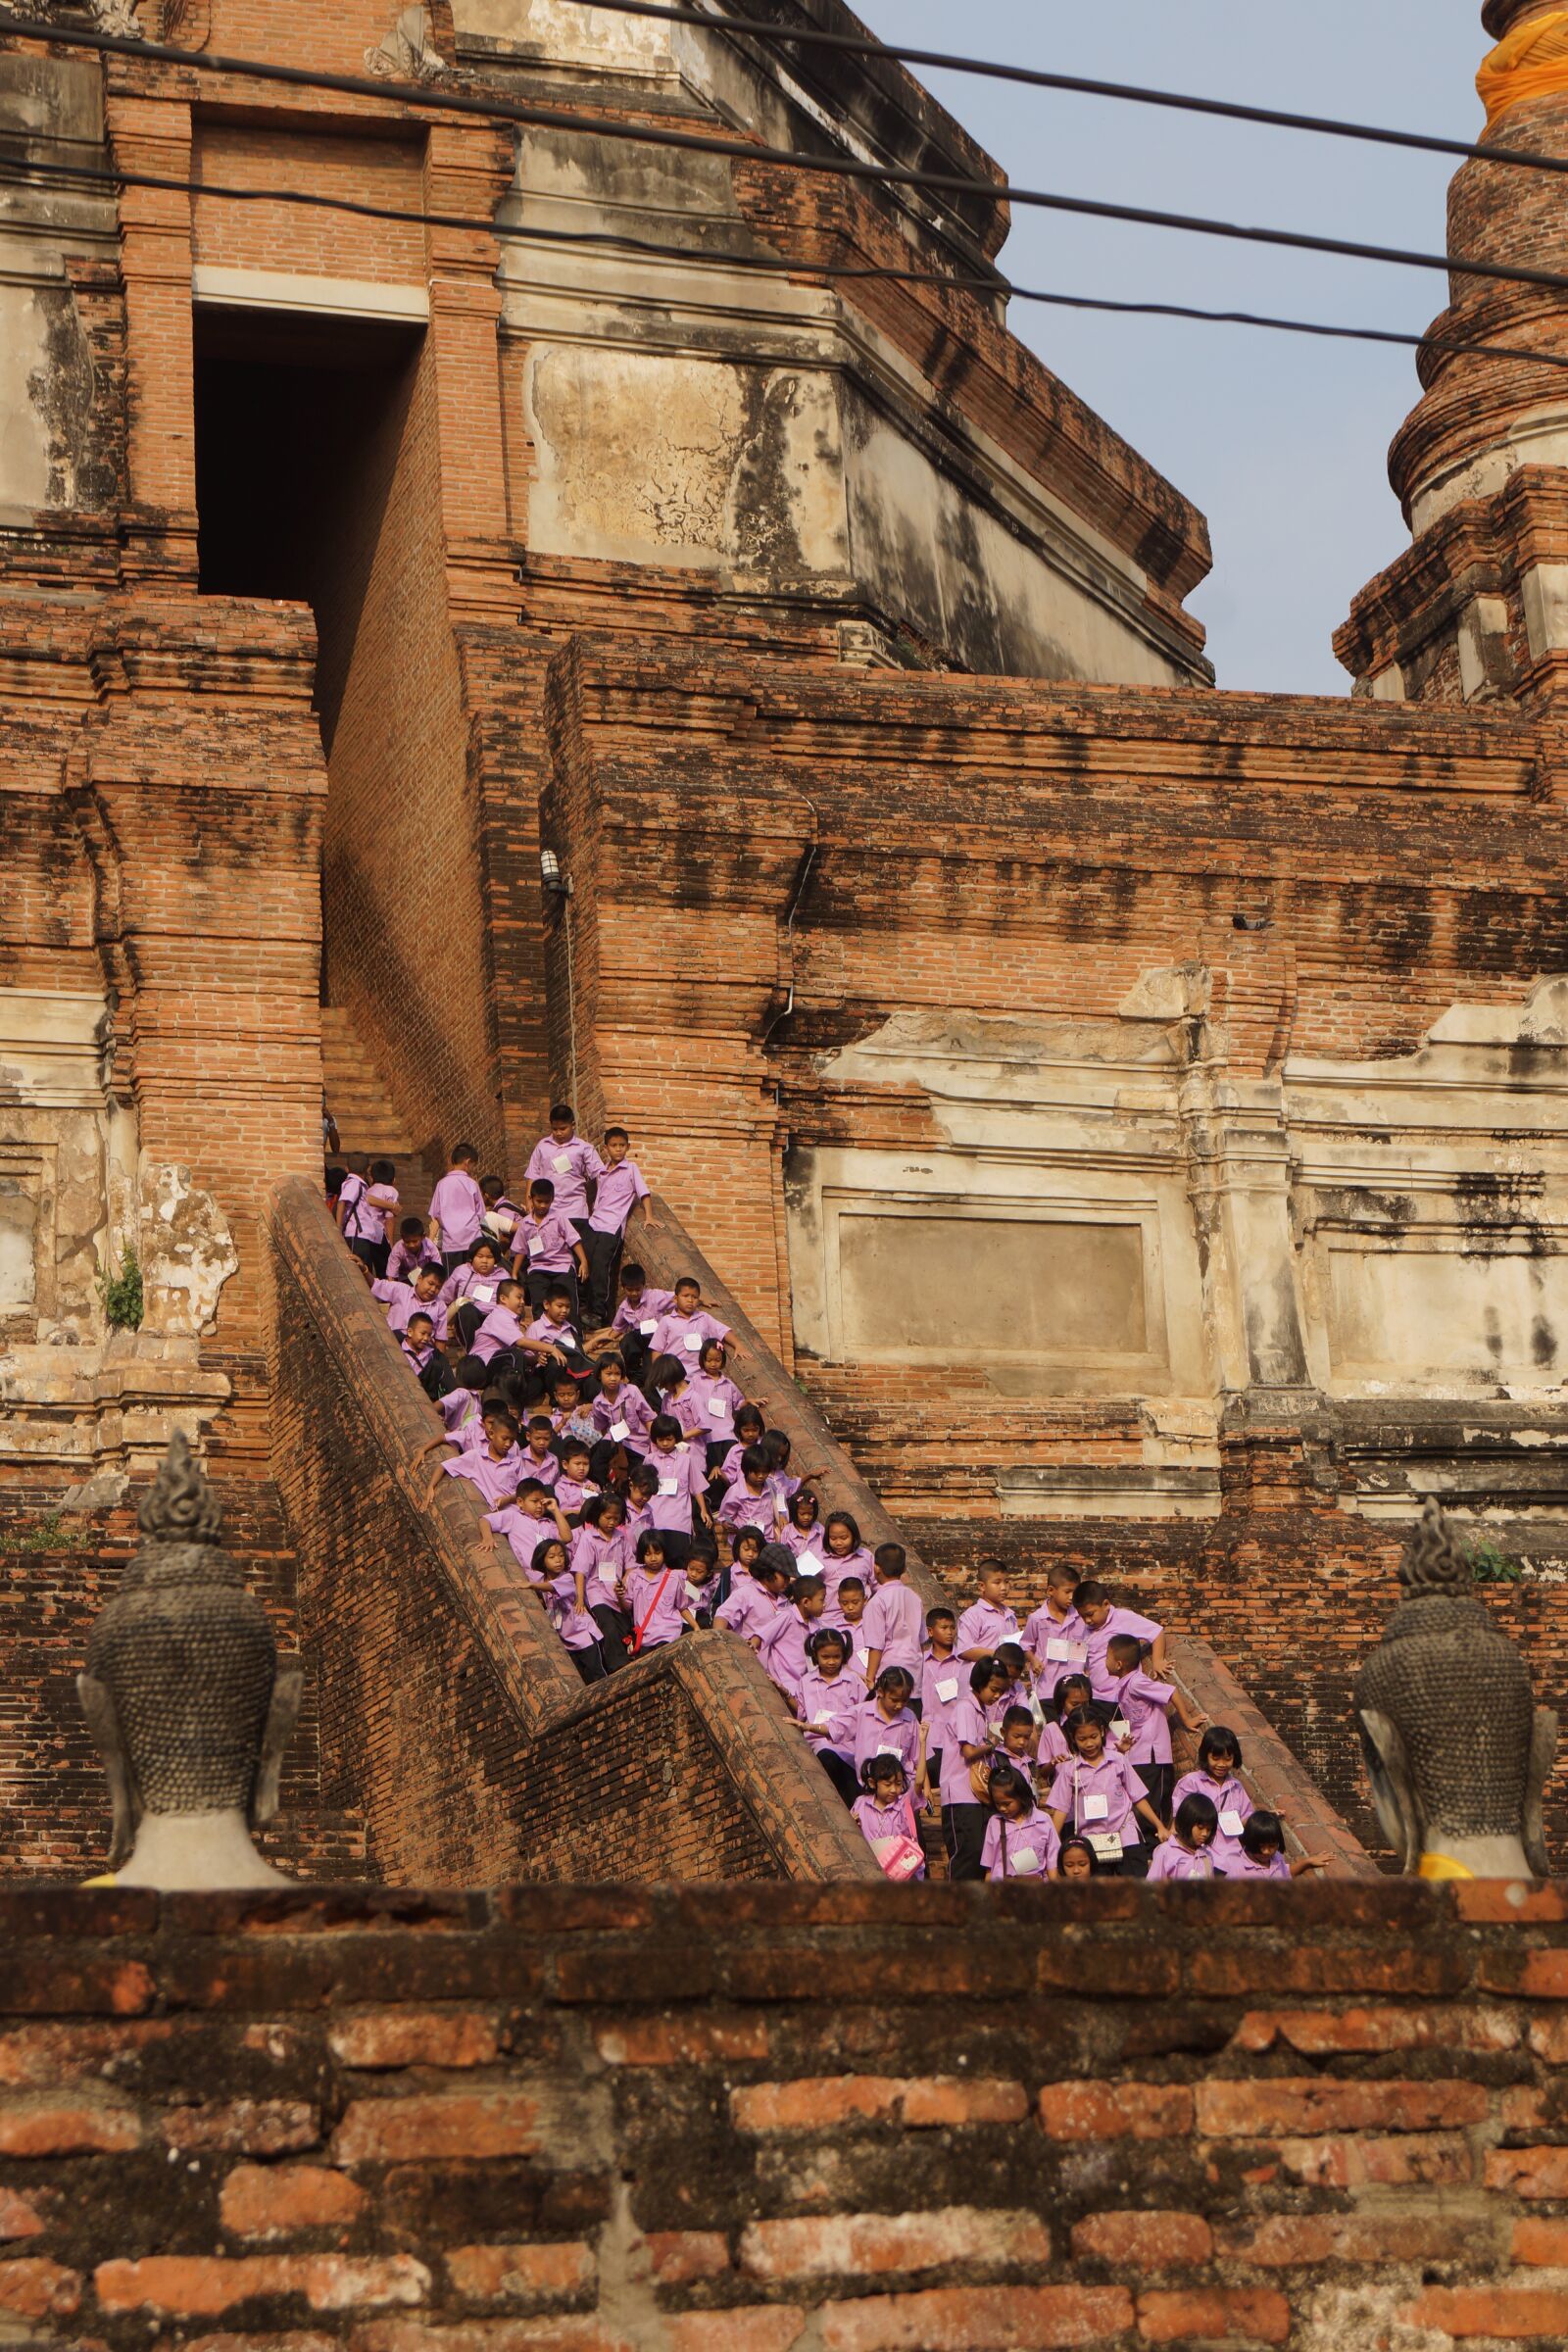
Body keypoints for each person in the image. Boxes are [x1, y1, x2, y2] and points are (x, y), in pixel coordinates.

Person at [1046, 1705, 1168, 1878]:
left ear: (1102, 1731)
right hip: (1091, 1841)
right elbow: (1061, 1809)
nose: (1089, 1743)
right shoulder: (1069, 1770)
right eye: (1082, 1739)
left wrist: (1159, 1825)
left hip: (1126, 1834)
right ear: (1073, 1739)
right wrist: (1052, 1844)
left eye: (1093, 1736)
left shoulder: (1118, 1761)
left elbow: (1137, 1796)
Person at [1102, 1631, 1203, 1826]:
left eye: (1107, 1657)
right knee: (1142, 1800)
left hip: (1153, 1753)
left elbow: (1170, 1691)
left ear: (1119, 1664)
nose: (1104, 1662)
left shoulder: (1136, 1682)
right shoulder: (1124, 1685)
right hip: (1139, 1752)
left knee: (1154, 1801)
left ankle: (1154, 1844)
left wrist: (1187, 1719)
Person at [941, 1657, 1008, 1883]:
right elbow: (969, 1752)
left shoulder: (980, 1709)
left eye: (1001, 1691)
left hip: (977, 1794)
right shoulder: (965, 1707)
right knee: (967, 1852)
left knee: (981, 1852)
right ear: (979, 1683)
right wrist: (993, 1745)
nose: (997, 1696)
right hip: (959, 1794)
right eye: (994, 1689)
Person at [582, 1125, 651, 1327]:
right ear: (606, 1148)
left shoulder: (631, 1169)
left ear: (628, 1147)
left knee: (602, 1268)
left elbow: (644, 1193)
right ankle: (584, 1306)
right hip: (594, 1223)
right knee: (586, 1262)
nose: (618, 1149)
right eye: (614, 1146)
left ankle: (599, 1313)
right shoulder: (601, 1171)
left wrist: (649, 1216)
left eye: (622, 1145)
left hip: (612, 1227)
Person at [526, 1104, 606, 1258]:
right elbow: (533, 1174)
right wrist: (529, 1201)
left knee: (576, 1254)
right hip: (547, 1210)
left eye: (563, 1128)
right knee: (549, 1254)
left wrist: (600, 1203)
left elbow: (600, 1175)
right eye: (555, 1129)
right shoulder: (542, 1146)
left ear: (573, 1125)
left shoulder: (584, 1148)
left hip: (575, 1209)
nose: (558, 1133)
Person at [795, 1627, 861, 1803]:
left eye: (836, 1657)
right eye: (826, 1657)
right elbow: (800, 1713)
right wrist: (785, 1692)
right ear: (816, 1655)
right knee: (827, 1758)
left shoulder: (852, 1680)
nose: (831, 1662)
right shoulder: (806, 1681)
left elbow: (863, 1711)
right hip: (819, 1743)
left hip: (848, 1745)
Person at [512, 1179, 590, 1323]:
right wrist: (514, 1272)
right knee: (539, 1301)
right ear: (531, 1199)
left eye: (546, 1202)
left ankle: (573, 1336)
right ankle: (542, 1336)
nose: (542, 1205)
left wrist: (583, 1261)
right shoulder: (525, 1224)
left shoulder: (559, 1218)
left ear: (552, 1200)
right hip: (538, 1267)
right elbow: (520, 1249)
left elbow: (573, 1240)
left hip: (562, 1266)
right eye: (539, 1201)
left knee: (568, 1300)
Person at [418, 1401, 522, 1510]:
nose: (508, 1444)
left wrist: (509, 1499)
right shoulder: (476, 1456)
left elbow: (526, 1489)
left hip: (519, 1511)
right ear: (492, 1434)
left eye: (511, 1440)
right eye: (504, 1439)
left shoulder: (516, 1461)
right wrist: (430, 1487)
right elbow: (443, 1466)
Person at [643, 1413, 712, 1569]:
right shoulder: (649, 1460)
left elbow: (696, 1487)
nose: (665, 1443)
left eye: (669, 1439)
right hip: (654, 1521)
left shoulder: (686, 1459)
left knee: (679, 1564)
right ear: (655, 1439)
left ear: (677, 1438)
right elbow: (643, 1489)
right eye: (661, 1440)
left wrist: (703, 1510)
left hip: (680, 1522)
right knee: (656, 1566)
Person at [573, 1492, 632, 1665]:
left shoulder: (621, 1538)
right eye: (608, 1518)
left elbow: (630, 1567)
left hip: (617, 1594)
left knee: (622, 1628)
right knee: (608, 1627)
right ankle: (618, 1666)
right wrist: (579, 1599)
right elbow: (580, 1571)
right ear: (598, 1515)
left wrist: (624, 1582)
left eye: (616, 1518)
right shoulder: (589, 1537)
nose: (612, 1522)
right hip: (596, 1592)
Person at [1075, 1579, 1166, 1689]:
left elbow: (1156, 1632)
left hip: (1118, 1694)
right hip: (1096, 1694)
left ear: (1106, 1604)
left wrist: (1158, 1661)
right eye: (1083, 1616)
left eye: (1090, 1614)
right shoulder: (1087, 1629)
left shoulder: (1121, 1618)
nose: (1087, 1620)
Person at [854, 1667, 925, 1805]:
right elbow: (835, 1726)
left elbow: (918, 1758)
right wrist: (808, 1727)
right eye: (894, 1700)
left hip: (903, 1791)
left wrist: (925, 1788)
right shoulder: (862, 1712)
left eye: (904, 1701)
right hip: (872, 1789)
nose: (899, 1705)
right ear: (880, 1692)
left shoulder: (910, 1718)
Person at [860, 1542, 925, 1691]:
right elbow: (921, 1642)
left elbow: (876, 1645)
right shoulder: (915, 1598)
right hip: (914, 1671)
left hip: (888, 1672)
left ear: (876, 1568)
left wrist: (870, 1679)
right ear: (904, 1568)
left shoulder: (877, 1601)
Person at [541, 1535, 605, 1684]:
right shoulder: (541, 1582)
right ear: (542, 1560)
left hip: (584, 1636)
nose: (558, 1560)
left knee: (598, 1677)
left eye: (561, 1556)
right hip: (567, 1641)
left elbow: (552, 1587)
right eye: (552, 1557)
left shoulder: (567, 1578)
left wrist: (530, 1585)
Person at [982, 1761, 1060, 1882]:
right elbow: (989, 1868)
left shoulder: (1043, 1821)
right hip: (1003, 1892)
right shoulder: (995, 1823)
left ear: (1021, 1796)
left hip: (1035, 1892)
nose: (1002, 1808)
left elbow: (1053, 1865)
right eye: (998, 1804)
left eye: (1007, 1804)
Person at [757, 1570, 827, 1703]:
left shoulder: (817, 1625)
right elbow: (763, 1634)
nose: (825, 1604)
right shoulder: (787, 1616)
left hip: (804, 1685)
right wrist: (753, 1645)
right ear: (806, 1602)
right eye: (822, 1599)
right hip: (783, 1682)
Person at [852, 1754, 925, 1880]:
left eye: (898, 1784)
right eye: (887, 1784)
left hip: (902, 1875)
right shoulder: (861, 1803)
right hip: (871, 1872)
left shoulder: (904, 1803)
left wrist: (922, 1744)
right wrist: (853, 1823)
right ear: (872, 1783)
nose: (893, 1789)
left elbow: (918, 1783)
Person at [481, 1478, 571, 1580]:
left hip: (552, 1574)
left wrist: (555, 1510)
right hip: (530, 1574)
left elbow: (567, 1538)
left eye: (542, 1502)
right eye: (535, 1501)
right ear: (520, 1502)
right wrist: (487, 1538)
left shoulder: (549, 1524)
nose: (539, 1506)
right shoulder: (514, 1517)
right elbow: (485, 1520)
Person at [1022, 1569, 1090, 1699]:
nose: (1072, 1597)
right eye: (1067, 1592)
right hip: (1046, 1688)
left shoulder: (1081, 1617)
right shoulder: (1037, 1619)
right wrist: (1034, 1660)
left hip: (1075, 1690)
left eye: (1075, 1592)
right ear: (1050, 1591)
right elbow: (1025, 1645)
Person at [625, 1530, 696, 1652]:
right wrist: (620, 1596)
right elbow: (627, 1606)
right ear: (642, 1555)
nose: (653, 1558)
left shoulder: (675, 1577)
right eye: (648, 1554)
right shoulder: (634, 1576)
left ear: (664, 1552)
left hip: (668, 1635)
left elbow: (682, 1606)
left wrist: (696, 1627)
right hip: (644, 1638)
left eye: (657, 1553)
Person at [920, 1605, 960, 1812]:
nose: (950, 1632)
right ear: (930, 1631)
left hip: (956, 1734)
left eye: (952, 1627)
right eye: (944, 1627)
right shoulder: (921, 1663)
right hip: (932, 1736)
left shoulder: (963, 1662)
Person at [715, 1543, 791, 1646]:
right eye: (785, 1576)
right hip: (748, 1659)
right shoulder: (746, 1593)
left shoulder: (785, 1602)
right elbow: (722, 1617)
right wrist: (722, 1646)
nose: (788, 1581)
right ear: (769, 1572)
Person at [428, 1143, 486, 1273]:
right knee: (473, 1279)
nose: (473, 1169)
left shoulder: (441, 1185)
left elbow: (436, 1214)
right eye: (473, 1165)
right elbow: (480, 1213)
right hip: (473, 1241)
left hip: (451, 1243)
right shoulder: (472, 1184)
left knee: (452, 1281)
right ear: (467, 1162)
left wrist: (449, 1227)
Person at [689, 1338, 747, 1469]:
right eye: (709, 1360)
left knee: (731, 1469)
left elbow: (738, 1403)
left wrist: (748, 1402)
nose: (713, 1364)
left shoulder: (728, 1384)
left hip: (728, 1434)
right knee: (714, 1473)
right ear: (702, 1360)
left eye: (717, 1360)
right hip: (708, 1436)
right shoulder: (696, 1381)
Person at [610, 1263, 675, 1378]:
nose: (634, 1293)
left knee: (650, 1372)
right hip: (639, 1341)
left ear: (643, 1286)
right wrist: (595, 1342)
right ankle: (633, 1375)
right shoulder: (624, 1308)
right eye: (630, 1290)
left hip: (657, 1342)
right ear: (623, 1288)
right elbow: (617, 1329)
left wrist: (700, 1300)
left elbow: (677, 1297)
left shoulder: (654, 1296)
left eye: (637, 1289)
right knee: (627, 1340)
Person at [1227, 1809, 1329, 1881]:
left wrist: (1307, 1862)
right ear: (1250, 1842)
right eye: (1261, 1846)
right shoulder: (1238, 1869)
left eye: (1272, 1846)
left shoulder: (1276, 1858)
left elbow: (1286, 1873)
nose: (1266, 1852)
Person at [649, 1276, 730, 1363]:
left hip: (699, 1373)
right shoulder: (666, 1321)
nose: (690, 1300)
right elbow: (657, 1349)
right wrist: (659, 1373)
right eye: (686, 1296)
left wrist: (739, 1346)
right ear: (676, 1299)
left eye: (694, 1297)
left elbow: (723, 1331)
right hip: (674, 1373)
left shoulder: (704, 1318)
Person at [819, 1510, 874, 1630]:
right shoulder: (820, 1559)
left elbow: (877, 1586)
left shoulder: (865, 1556)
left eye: (844, 1538)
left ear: (854, 1536)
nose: (838, 1543)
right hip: (829, 1621)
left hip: (862, 1621)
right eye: (833, 1538)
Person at [956, 1559, 1020, 1661]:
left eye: (1006, 1582)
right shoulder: (973, 1615)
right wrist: (1001, 1654)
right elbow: (965, 1650)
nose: (1003, 1587)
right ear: (982, 1586)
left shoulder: (1010, 1615)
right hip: (983, 1675)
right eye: (997, 1582)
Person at [1147, 1793, 1221, 1881]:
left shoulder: (1207, 1856)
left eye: (1209, 1829)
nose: (1205, 1833)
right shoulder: (1166, 1851)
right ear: (1186, 1822)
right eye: (1200, 1828)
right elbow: (1152, 1886)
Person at [387, 1215, 440, 1286]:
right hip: (404, 1281)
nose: (411, 1245)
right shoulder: (397, 1250)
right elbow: (391, 1277)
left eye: (415, 1241)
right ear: (402, 1238)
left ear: (423, 1237)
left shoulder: (430, 1246)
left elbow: (438, 1270)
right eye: (407, 1242)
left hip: (424, 1280)